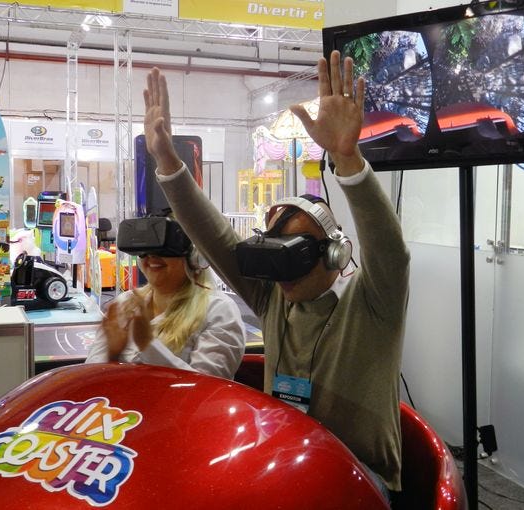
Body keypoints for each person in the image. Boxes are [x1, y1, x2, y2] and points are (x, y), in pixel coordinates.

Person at [143, 50, 410, 502]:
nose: (279, 277)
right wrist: (167, 160)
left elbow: (391, 252)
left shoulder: (373, 305)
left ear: (333, 254)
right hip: (285, 465)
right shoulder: (274, 299)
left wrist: (347, 159)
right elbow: (212, 234)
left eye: (294, 257)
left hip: (358, 478)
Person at [85, 222, 247, 380]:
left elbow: (208, 388)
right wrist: (112, 354)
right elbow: (88, 377)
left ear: (196, 257)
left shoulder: (219, 311)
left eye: (164, 248)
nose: (152, 256)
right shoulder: (125, 303)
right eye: (146, 249)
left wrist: (148, 344)